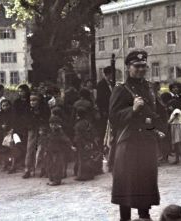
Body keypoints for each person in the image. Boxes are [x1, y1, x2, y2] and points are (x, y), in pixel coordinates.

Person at [109, 50, 166, 221]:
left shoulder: (149, 87)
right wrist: (132, 110)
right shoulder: (121, 89)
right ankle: (124, 218)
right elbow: (113, 117)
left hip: (147, 142)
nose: (141, 69)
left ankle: (144, 216)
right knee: (126, 184)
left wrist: (160, 128)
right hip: (128, 143)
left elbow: (158, 112)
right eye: (137, 66)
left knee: (146, 181)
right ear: (128, 67)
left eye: (143, 66)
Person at [22, 92, 50, 179]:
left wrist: (43, 128)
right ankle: (28, 169)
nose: (32, 102)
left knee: (42, 149)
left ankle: (43, 168)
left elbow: (46, 119)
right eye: (31, 100)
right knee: (30, 149)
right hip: (32, 130)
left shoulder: (44, 108)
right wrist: (30, 126)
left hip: (42, 129)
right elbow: (26, 120)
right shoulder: (28, 109)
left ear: (39, 100)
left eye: (35, 100)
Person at [45, 116, 72, 186]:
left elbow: (66, 140)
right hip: (51, 150)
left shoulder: (60, 132)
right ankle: (52, 179)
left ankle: (57, 180)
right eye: (51, 124)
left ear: (56, 124)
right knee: (51, 165)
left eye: (53, 124)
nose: (51, 126)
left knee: (57, 166)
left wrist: (70, 146)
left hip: (57, 151)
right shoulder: (51, 131)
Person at [73, 107, 99, 181]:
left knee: (81, 159)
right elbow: (92, 132)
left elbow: (78, 136)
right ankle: (90, 174)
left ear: (78, 115)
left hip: (81, 143)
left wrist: (78, 143)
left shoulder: (78, 124)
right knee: (88, 158)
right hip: (89, 142)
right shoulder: (88, 123)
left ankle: (81, 176)